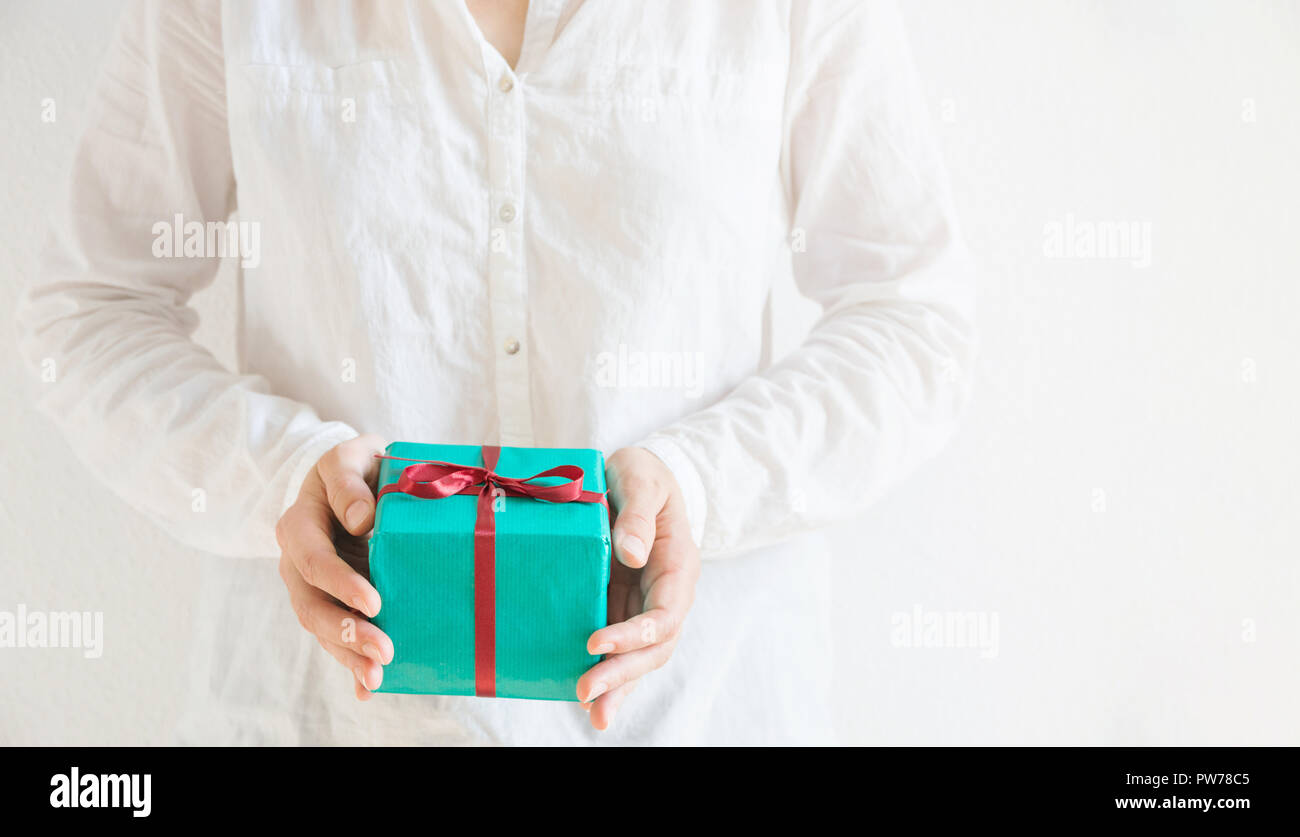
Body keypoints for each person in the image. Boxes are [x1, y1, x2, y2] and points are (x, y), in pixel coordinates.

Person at [17, 0, 974, 745]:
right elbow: (93, 312)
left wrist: (704, 480)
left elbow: (913, 316)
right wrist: (280, 471)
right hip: (317, 717)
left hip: (704, 711)